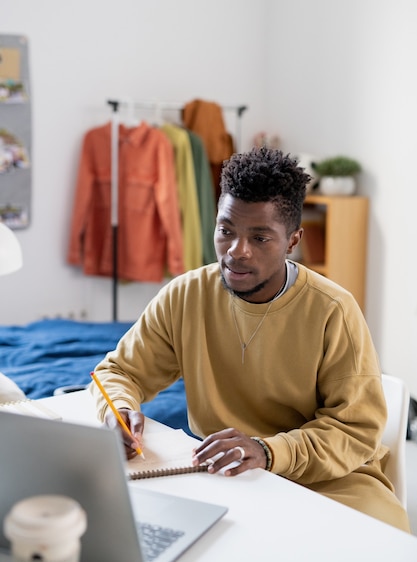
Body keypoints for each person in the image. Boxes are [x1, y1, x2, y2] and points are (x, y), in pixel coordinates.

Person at [91, 147, 410, 533]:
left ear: (293, 240)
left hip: (331, 482)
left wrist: (267, 450)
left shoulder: (333, 309)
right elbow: (120, 371)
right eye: (226, 231)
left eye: (260, 238)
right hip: (230, 475)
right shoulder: (185, 295)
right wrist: (118, 411)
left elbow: (355, 432)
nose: (236, 252)